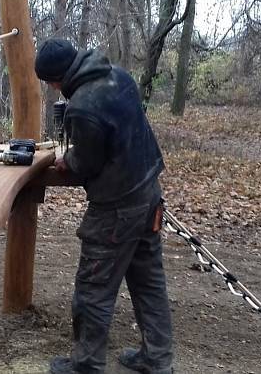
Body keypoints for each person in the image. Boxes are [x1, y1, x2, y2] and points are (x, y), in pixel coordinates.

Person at [35, 38, 174, 374]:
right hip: (148, 191)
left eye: (50, 83)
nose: (52, 88)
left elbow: (85, 164)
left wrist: (68, 158)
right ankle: (157, 360)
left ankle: (85, 365)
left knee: (93, 288)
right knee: (148, 282)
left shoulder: (83, 106)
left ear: (55, 78)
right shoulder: (119, 75)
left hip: (116, 208)